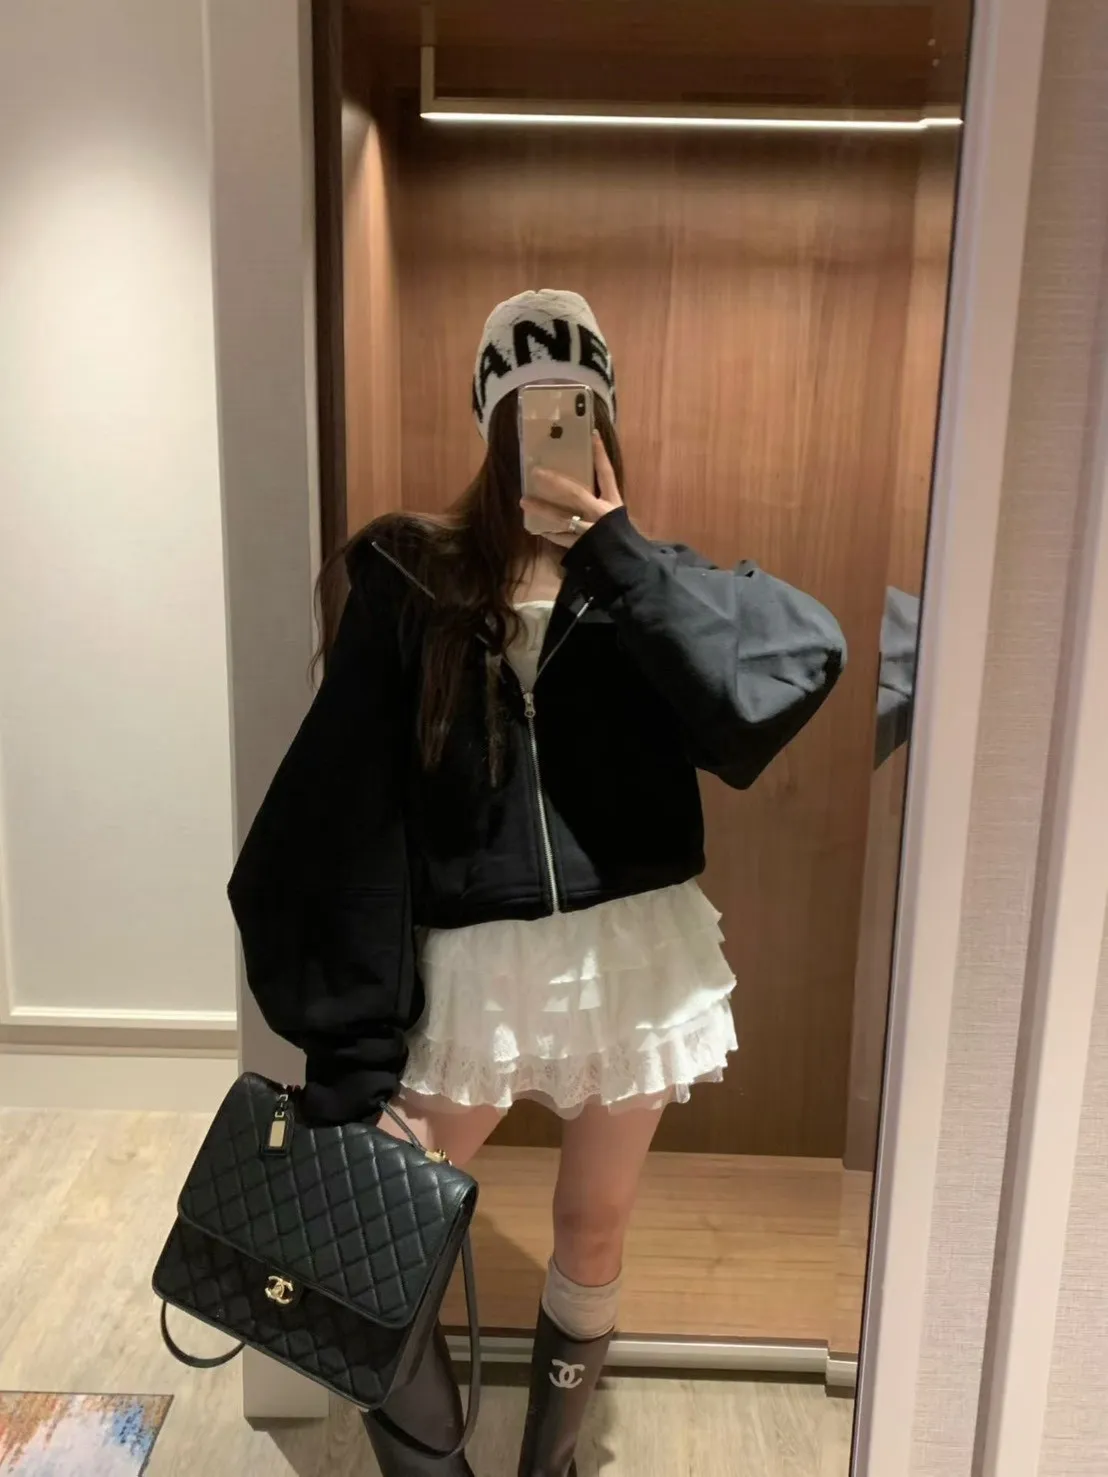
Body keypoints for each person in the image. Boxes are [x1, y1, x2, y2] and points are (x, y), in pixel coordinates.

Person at [228, 289, 847, 1477]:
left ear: (605, 418)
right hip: (472, 968)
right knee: (368, 1234)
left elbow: (791, 670)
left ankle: (549, 1466)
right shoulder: (410, 580)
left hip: (632, 956)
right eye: (525, 413)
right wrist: (348, 1039)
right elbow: (335, 812)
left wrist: (619, 555)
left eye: (573, 410)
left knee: (593, 1224)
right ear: (490, 426)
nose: (550, 433)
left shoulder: (651, 586)